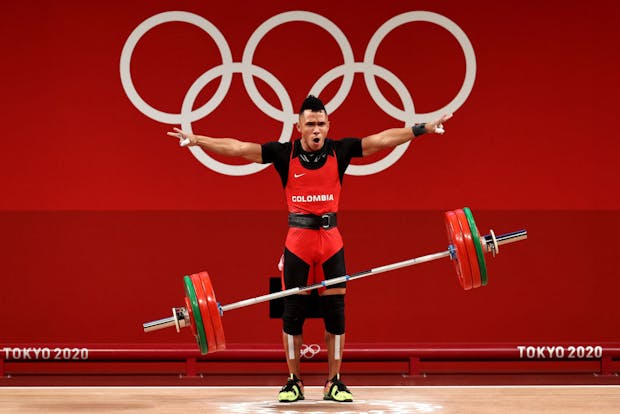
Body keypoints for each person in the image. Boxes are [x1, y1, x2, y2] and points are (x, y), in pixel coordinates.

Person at [168, 95, 452, 403]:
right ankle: (294, 381)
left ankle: (335, 382)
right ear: (299, 126)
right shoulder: (282, 154)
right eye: (310, 124)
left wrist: (421, 128)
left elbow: (380, 140)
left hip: (331, 242)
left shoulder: (339, 150)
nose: (316, 129)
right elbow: (238, 148)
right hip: (298, 242)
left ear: (328, 126)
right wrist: (198, 140)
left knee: (336, 316)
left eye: (321, 124)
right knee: (292, 316)